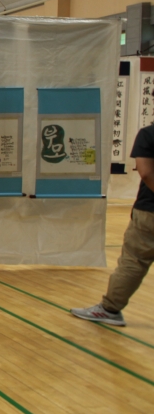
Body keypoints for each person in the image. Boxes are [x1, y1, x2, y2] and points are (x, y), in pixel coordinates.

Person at [71, 123, 154, 327]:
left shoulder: (149, 134)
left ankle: (110, 309)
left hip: (150, 212)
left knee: (134, 261)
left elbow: (146, 172)